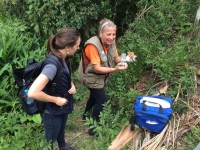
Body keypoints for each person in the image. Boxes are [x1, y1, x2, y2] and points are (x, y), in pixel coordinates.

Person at [28, 27, 81, 150]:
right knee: (50, 139)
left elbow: (63, 76)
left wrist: (71, 85)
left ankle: (62, 146)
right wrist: (55, 100)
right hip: (51, 109)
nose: (78, 48)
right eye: (77, 45)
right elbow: (32, 92)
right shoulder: (52, 66)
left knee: (61, 128)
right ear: (67, 47)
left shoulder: (64, 58)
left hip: (62, 105)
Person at [77, 18, 129, 136]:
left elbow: (116, 58)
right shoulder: (93, 45)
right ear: (101, 33)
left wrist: (130, 58)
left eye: (114, 34)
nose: (111, 37)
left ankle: (85, 115)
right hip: (90, 77)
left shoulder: (111, 43)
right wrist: (115, 69)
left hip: (99, 77)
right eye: (108, 34)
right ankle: (93, 127)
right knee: (102, 101)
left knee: (95, 97)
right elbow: (97, 68)